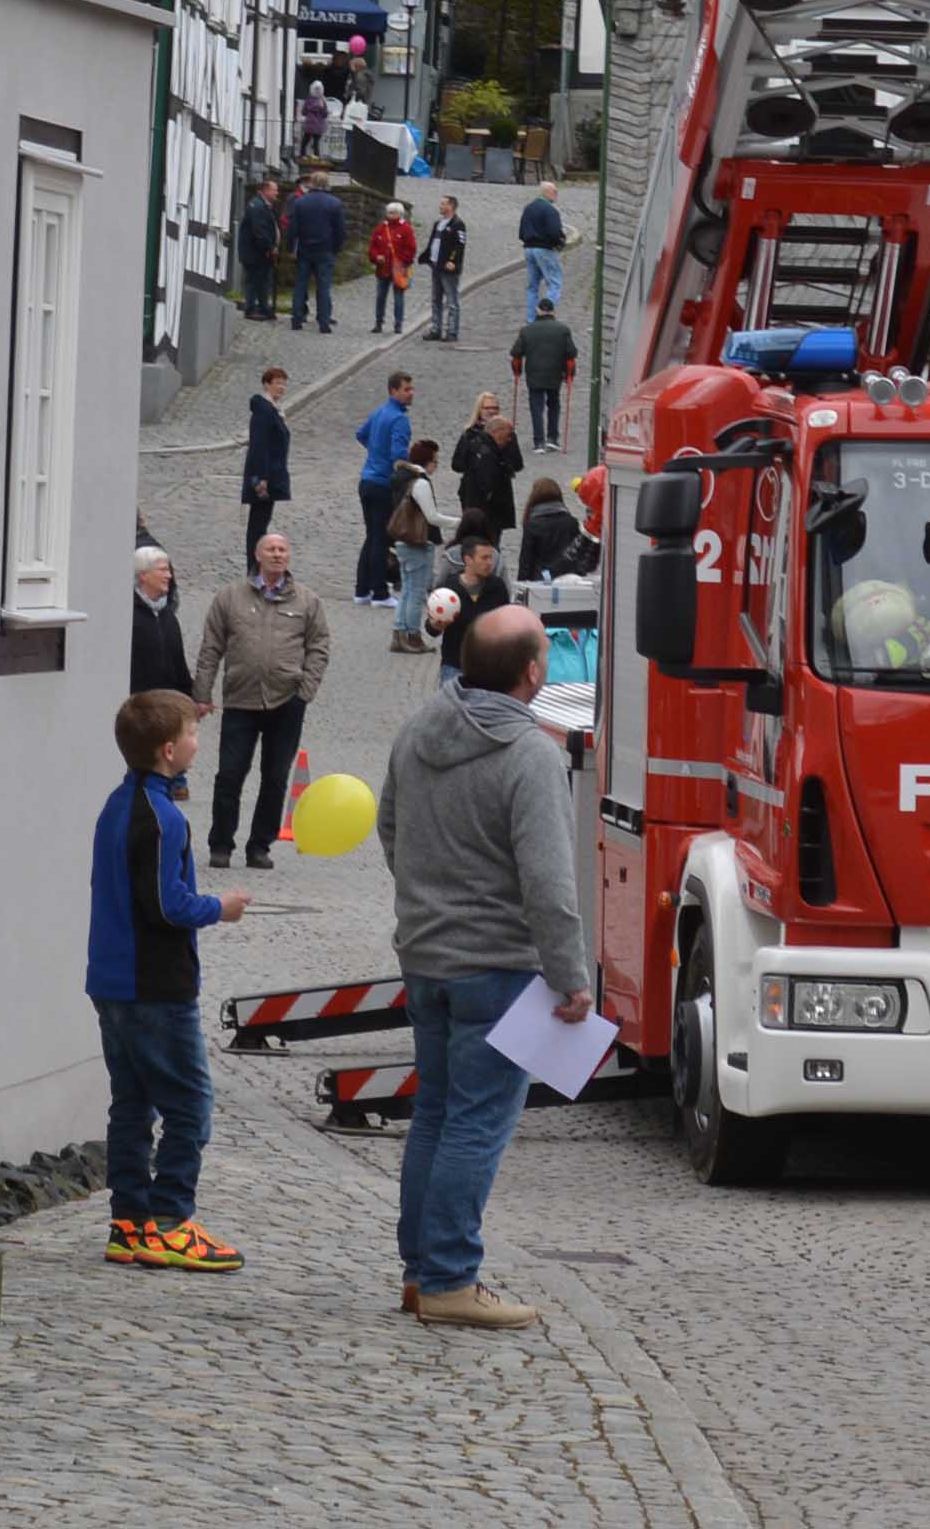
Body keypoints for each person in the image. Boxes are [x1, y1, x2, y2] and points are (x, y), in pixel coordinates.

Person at [379, 604, 594, 1329]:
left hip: (425, 957)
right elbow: (548, 882)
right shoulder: (528, 752)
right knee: (476, 1125)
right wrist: (571, 974)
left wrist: (424, 903)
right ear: (534, 671)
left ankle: (420, 1272)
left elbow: (388, 827)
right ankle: (448, 1279)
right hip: (498, 968)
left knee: (435, 1115)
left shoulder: (416, 728)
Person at [88, 690, 247, 1271]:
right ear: (168, 750)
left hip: (110, 979)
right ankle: (171, 1223)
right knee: (189, 1105)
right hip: (153, 985)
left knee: (131, 1103)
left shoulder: (116, 803)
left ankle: (128, 1224)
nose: (197, 742)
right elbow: (166, 903)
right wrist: (219, 907)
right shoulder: (164, 819)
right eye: (192, 734)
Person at [192, 533, 331, 870]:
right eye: (271, 549)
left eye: (283, 549)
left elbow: (319, 647)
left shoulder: (307, 601)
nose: (277, 554)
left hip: (287, 702)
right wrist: (202, 693)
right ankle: (221, 844)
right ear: (257, 555)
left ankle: (260, 846)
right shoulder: (230, 597)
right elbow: (212, 647)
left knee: (276, 777)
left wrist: (305, 691)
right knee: (229, 774)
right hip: (240, 700)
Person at [352, 374, 418, 608]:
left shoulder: (380, 412)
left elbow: (361, 434)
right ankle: (380, 593)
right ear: (393, 391)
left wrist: (375, 452)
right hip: (382, 484)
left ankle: (362, 590)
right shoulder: (399, 419)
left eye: (412, 389)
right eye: (406, 389)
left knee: (371, 536)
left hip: (366, 481)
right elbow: (399, 455)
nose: (411, 393)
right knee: (380, 538)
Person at [387, 438, 451, 654]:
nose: (436, 466)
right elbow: (431, 517)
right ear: (427, 461)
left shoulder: (401, 477)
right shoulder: (420, 483)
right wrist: (460, 521)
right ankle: (413, 636)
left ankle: (399, 633)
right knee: (416, 592)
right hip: (417, 542)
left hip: (402, 542)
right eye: (435, 461)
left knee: (406, 591)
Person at [450, 401, 524, 544]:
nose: (509, 439)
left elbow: (517, 463)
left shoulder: (496, 444)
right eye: (488, 408)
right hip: (486, 509)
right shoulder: (476, 443)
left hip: (486, 508)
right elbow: (459, 465)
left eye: (495, 408)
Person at [511, 304, 580, 453]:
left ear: (538, 311)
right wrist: (569, 374)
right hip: (555, 375)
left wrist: (517, 372)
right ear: (553, 311)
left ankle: (538, 442)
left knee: (536, 407)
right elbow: (571, 353)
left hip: (534, 375)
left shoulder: (527, 330)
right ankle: (552, 439)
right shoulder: (563, 330)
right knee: (554, 405)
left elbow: (516, 352)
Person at [240, 366, 291, 563]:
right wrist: (260, 479)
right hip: (264, 479)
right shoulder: (264, 411)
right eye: (277, 383)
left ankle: (258, 564)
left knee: (261, 523)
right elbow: (259, 446)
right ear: (266, 385)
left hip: (271, 475)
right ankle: (254, 566)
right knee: (257, 527)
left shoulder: (273, 410)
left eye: (283, 383)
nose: (281, 387)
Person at [285, 175, 348, 333]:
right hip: (325, 250)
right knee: (323, 287)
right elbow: (340, 230)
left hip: (305, 249)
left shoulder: (300, 202)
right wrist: (336, 248)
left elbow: (293, 229)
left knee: (300, 286)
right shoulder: (335, 203)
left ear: (311, 183)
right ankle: (324, 322)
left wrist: (291, 247)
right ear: (326, 184)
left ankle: (296, 320)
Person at [129, 547, 191, 698]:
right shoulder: (128, 615)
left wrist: (190, 695)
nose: (169, 576)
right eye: (162, 570)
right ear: (144, 575)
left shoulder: (167, 615)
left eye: (168, 570)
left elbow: (178, 662)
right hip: (138, 705)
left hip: (167, 703)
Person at [516, 474, 600, 582]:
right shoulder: (571, 522)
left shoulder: (533, 525)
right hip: (568, 578)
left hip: (541, 579)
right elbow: (578, 555)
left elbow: (526, 562)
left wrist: (522, 584)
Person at [518, 182, 572, 322]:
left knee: (532, 287)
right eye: (555, 191)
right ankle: (544, 314)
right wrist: (559, 242)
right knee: (555, 283)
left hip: (529, 249)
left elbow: (521, 232)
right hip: (544, 250)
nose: (556, 194)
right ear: (547, 192)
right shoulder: (550, 210)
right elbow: (555, 233)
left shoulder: (528, 208)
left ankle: (531, 319)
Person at [367, 204, 420, 334]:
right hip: (383, 268)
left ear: (399, 214)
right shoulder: (381, 228)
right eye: (389, 212)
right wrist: (376, 257)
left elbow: (411, 249)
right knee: (380, 296)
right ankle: (378, 322)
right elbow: (372, 246)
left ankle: (398, 324)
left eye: (392, 213)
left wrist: (401, 261)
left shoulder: (406, 229)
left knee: (398, 297)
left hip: (399, 269)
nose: (389, 215)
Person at [235, 178, 281, 323]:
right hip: (256, 253)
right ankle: (251, 309)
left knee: (262, 281)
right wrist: (269, 247)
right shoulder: (258, 207)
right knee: (254, 281)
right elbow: (259, 231)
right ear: (266, 190)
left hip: (260, 253)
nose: (277, 193)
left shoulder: (263, 206)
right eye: (275, 190)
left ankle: (263, 307)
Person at [426, 197, 471, 340]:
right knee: (435, 299)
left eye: (443, 203)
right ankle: (436, 329)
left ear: (451, 206)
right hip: (436, 266)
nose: (440, 206)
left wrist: (452, 261)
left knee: (452, 301)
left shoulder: (458, 224)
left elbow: (460, 245)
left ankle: (452, 331)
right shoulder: (438, 224)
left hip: (448, 268)